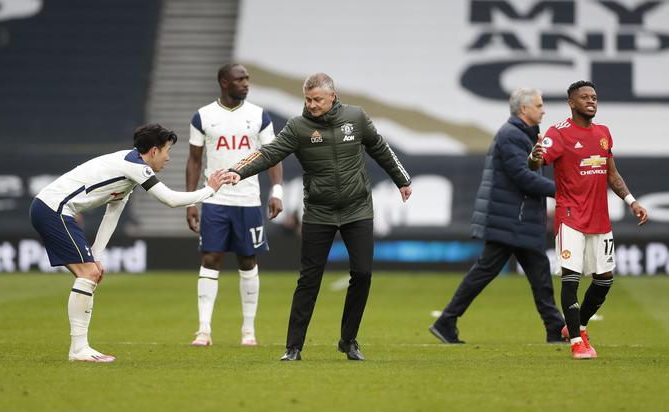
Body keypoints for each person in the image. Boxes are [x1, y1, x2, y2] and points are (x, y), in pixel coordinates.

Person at [224, 73, 412, 361]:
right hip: (319, 212)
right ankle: (293, 347)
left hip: (357, 209)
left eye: (317, 100)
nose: (311, 105)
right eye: (307, 99)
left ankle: (348, 341)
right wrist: (238, 170)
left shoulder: (356, 117)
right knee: (309, 279)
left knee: (362, 274)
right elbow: (269, 152)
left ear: (332, 96)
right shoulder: (298, 127)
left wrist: (401, 179)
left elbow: (380, 148)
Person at [30, 124, 229, 362]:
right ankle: (79, 349)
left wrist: (96, 255)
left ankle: (80, 348)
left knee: (89, 273)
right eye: (167, 151)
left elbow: (112, 213)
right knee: (88, 275)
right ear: (154, 151)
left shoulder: (129, 170)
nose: (168, 158)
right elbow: (170, 199)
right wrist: (210, 190)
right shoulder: (135, 166)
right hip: (55, 209)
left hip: (51, 208)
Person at [429, 87, 566, 345]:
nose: (543, 109)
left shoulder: (522, 134)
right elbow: (523, 178)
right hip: (509, 219)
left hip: (518, 219)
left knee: (537, 275)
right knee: (491, 273)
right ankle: (446, 320)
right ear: (524, 109)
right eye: (539, 105)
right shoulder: (511, 136)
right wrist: (562, 191)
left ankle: (555, 328)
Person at [529, 80, 648, 359]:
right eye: (584, 97)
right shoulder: (558, 133)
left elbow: (612, 174)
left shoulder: (603, 133)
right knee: (571, 278)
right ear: (572, 103)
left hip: (599, 218)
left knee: (604, 279)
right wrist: (533, 157)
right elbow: (537, 161)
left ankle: (577, 326)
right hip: (570, 216)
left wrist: (631, 202)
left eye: (594, 97)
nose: (591, 101)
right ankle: (576, 343)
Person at [186, 63, 283, 347]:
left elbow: (273, 155)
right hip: (215, 200)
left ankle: (248, 331)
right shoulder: (203, 116)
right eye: (240, 79)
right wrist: (192, 200)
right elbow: (194, 160)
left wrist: (276, 190)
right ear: (224, 83)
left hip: (248, 201)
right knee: (210, 259)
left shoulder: (258, 116)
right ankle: (203, 330)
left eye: (247, 79)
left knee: (247, 260)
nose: (246, 83)